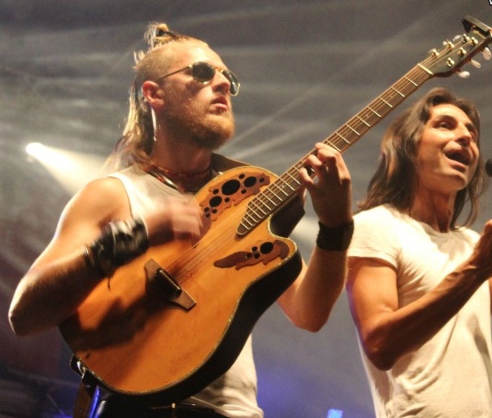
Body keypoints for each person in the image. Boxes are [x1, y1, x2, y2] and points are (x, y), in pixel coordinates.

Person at [8, 23, 353, 417]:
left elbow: (309, 313)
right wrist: (138, 235)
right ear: (154, 94)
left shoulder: (246, 199)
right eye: (202, 72)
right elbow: (25, 314)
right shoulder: (113, 194)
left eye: (228, 78)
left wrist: (335, 226)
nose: (222, 84)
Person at [345, 87, 492, 417]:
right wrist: (476, 269)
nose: (466, 137)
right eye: (445, 125)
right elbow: (380, 344)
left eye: (472, 133)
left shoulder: (470, 244)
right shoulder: (377, 226)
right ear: (408, 145)